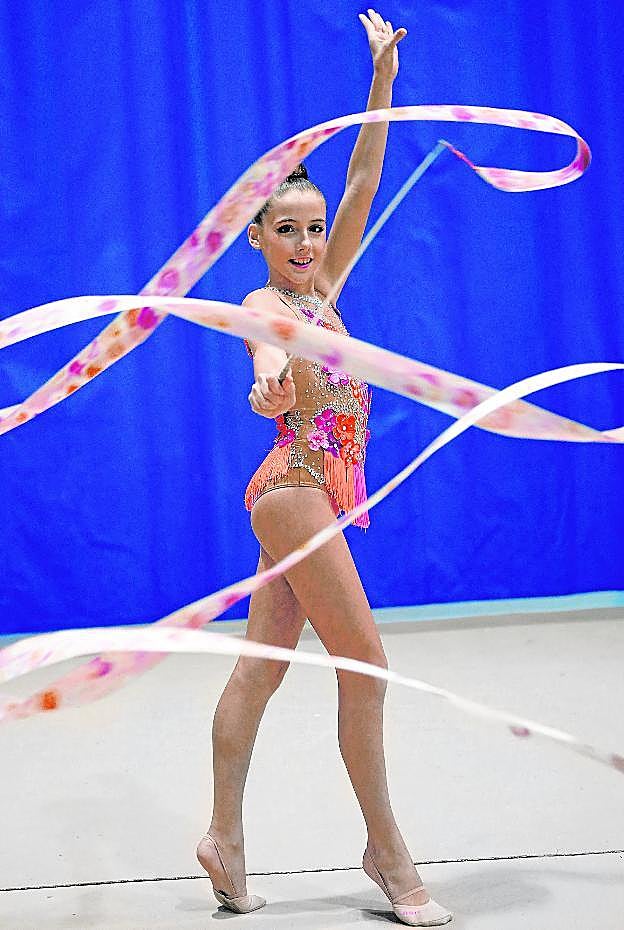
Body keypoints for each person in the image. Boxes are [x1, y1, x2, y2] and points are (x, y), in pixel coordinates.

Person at [196, 10, 452, 927]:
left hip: (321, 495)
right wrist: (270, 386)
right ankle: (387, 853)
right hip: (295, 485)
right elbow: (269, 352)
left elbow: (364, 176)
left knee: (260, 671)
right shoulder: (267, 299)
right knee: (368, 664)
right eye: (289, 231)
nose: (308, 244)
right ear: (259, 238)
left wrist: (380, 82)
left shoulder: (324, 292)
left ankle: (223, 838)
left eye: (314, 231)